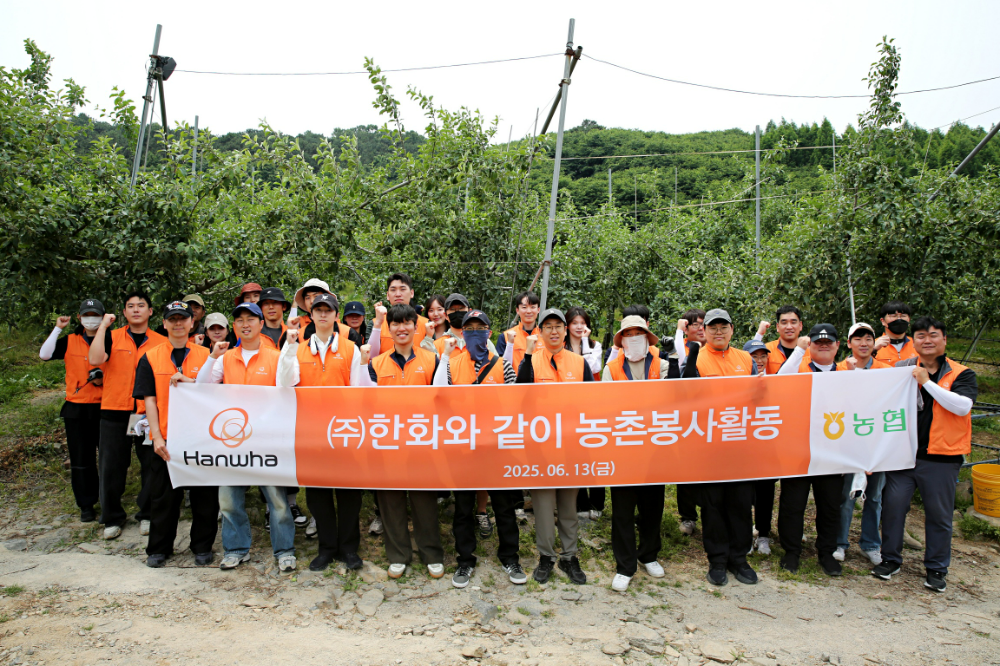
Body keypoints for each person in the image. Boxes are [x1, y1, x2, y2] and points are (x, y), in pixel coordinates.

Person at [875, 317, 977, 593]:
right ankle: (890, 559)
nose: (927, 340)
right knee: (893, 509)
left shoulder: (961, 374)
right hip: (903, 455)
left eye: (933, 335)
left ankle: (936, 568)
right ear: (914, 341)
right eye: (921, 336)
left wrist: (927, 382)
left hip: (941, 458)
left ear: (944, 340)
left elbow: (962, 407)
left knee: (939, 516)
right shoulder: (902, 369)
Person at [195, 302, 297, 573]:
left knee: (277, 501)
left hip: (267, 440)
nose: (245, 324)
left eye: (250, 319)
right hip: (233, 441)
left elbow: (288, 388)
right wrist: (212, 356)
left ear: (261, 324)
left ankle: (285, 550)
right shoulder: (226, 357)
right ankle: (236, 549)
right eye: (239, 320)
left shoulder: (275, 356)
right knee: (229, 501)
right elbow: (201, 386)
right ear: (234, 327)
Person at [430, 309, 526, 588]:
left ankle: (510, 557)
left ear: (488, 333)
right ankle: (465, 560)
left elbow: (514, 403)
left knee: (504, 506)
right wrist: (445, 356)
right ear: (462, 333)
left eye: (480, 328)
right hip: (463, 448)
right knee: (463, 507)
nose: (475, 333)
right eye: (469, 329)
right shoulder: (452, 364)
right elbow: (439, 394)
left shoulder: (502, 365)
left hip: (496, 447)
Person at [603, 316, 698, 592]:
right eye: (629, 333)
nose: (634, 337)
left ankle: (648, 554)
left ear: (647, 337)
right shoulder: (611, 368)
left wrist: (674, 357)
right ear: (622, 339)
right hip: (623, 447)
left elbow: (673, 396)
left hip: (655, 448)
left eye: (639, 332)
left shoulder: (662, 364)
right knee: (622, 510)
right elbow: (604, 404)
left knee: (652, 506)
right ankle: (624, 566)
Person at [276, 293, 365, 572]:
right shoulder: (299, 348)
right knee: (318, 494)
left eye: (328, 310)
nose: (323, 314)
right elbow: (284, 383)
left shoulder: (350, 348)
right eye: (318, 310)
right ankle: (326, 548)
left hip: (344, 432)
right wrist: (289, 347)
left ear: (336, 316)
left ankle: (348, 548)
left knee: (349, 494)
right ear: (311, 315)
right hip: (312, 433)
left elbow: (357, 390)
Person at [132, 301, 218, 568]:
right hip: (167, 438)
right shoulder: (150, 357)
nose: (178, 324)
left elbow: (218, 394)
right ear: (165, 323)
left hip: (201, 438)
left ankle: (202, 546)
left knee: (205, 498)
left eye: (183, 319)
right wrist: (156, 436)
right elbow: (149, 400)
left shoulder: (207, 356)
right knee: (163, 497)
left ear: (192, 323)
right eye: (173, 319)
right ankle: (159, 548)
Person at [360, 304, 444, 579]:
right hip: (388, 444)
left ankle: (431, 554)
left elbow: (443, 401)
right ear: (389, 329)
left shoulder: (431, 360)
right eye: (395, 323)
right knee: (390, 501)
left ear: (415, 327)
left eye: (407, 322)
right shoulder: (376, 364)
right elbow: (366, 402)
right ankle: (398, 555)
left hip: (422, 444)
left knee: (424, 501)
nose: (402, 328)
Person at [515, 308, 593, 585]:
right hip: (540, 447)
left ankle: (569, 556)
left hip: (571, 446)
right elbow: (520, 395)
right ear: (540, 331)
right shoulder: (531, 361)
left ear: (566, 329)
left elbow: (592, 402)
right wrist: (527, 355)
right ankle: (546, 556)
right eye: (547, 326)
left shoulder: (579, 362)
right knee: (543, 506)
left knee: (569, 506)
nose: (554, 331)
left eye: (558, 326)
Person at [88, 291, 168, 540]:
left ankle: (147, 514)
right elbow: (94, 359)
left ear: (150, 311)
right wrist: (103, 326)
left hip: (145, 413)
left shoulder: (160, 341)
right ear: (124, 312)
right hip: (115, 410)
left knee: (150, 464)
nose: (136, 310)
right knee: (111, 466)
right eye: (130, 306)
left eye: (141, 305)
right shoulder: (111, 337)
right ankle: (112, 517)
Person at [775, 323, 846, 577]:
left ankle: (826, 553)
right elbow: (779, 381)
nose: (823, 346)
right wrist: (799, 350)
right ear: (810, 345)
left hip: (833, 452)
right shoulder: (798, 367)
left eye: (828, 342)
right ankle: (791, 551)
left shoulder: (848, 373)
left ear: (837, 346)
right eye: (818, 342)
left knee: (830, 506)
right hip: (798, 448)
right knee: (792, 504)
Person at [694, 308, 758, 587]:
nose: (718, 332)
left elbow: (759, 397)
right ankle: (717, 559)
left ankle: (739, 559)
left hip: (741, 443)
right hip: (708, 445)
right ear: (704, 331)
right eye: (713, 327)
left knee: (741, 503)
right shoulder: (696, 359)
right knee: (713, 504)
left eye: (723, 327)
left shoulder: (746, 359)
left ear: (732, 330)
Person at [39, 299, 106, 522]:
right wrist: (58, 328)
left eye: (95, 315)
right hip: (77, 408)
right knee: (81, 458)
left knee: (108, 458)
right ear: (79, 318)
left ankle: (108, 498)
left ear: (102, 317)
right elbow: (45, 355)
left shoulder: (110, 339)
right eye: (87, 315)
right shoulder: (70, 341)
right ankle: (86, 504)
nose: (91, 319)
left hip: (105, 405)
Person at [833, 323, 892, 565]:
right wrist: (850, 375)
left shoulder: (886, 371)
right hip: (849, 441)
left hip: (877, 442)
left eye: (868, 338)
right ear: (849, 343)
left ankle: (871, 544)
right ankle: (840, 542)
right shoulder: (839, 369)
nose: (863, 343)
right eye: (858, 339)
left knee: (875, 496)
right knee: (847, 494)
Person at [673, 307, 706, 536]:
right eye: (695, 324)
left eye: (704, 324)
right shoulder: (684, 349)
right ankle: (688, 517)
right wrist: (678, 330)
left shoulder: (716, 349)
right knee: (686, 469)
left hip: (713, 419)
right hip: (688, 419)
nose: (701, 328)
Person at [742, 339, 776, 555]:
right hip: (743, 446)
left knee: (765, 491)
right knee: (744, 493)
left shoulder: (778, 381)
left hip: (767, 447)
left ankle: (763, 534)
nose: (759, 360)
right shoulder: (737, 382)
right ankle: (745, 534)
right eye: (754, 356)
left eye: (763, 356)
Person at [378, 273, 429, 354]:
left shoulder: (426, 324)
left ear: (411, 293)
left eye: (402, 289)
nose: (398, 294)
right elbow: (369, 355)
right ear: (387, 295)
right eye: (393, 290)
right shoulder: (376, 323)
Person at [754, 305, 810, 375]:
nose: (789, 327)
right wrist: (759, 334)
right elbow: (749, 363)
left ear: (800, 325)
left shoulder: (811, 351)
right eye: (784, 323)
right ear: (777, 327)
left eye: (793, 322)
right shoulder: (767, 350)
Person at [496, 291, 540, 372]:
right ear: (517, 310)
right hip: (515, 379)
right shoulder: (505, 337)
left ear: (538, 310)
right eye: (524, 307)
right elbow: (500, 368)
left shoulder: (546, 336)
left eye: (533, 307)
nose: (529, 311)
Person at [874, 300, 917, 365]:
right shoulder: (873, 346)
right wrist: (872, 350)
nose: (899, 319)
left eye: (903, 316)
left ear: (909, 320)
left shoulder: (917, 344)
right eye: (894, 316)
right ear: (883, 321)